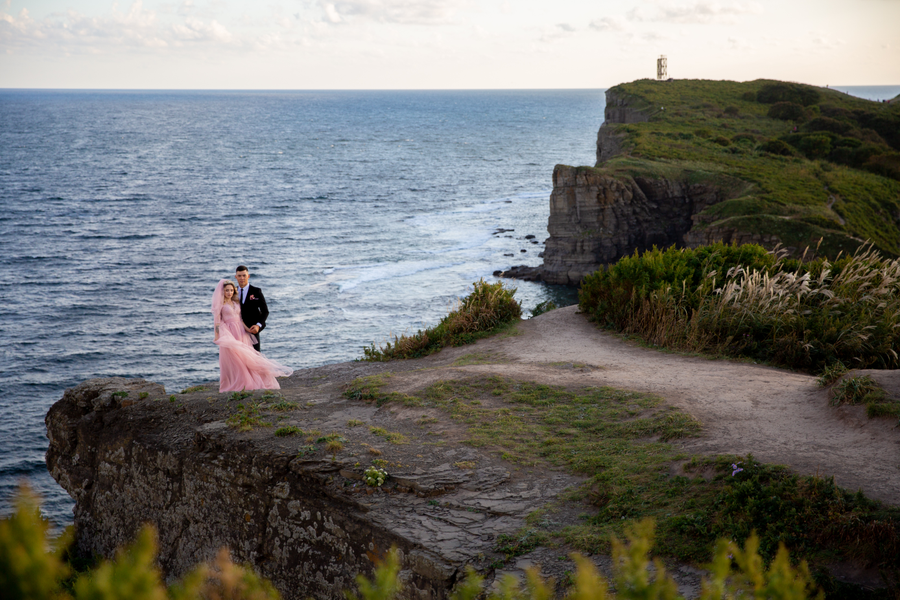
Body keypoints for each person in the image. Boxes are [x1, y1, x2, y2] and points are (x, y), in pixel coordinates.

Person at [212, 279, 291, 393]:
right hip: (229, 332)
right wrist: (217, 336)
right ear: (222, 292)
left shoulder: (235, 302)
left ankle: (248, 380)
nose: (229, 292)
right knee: (235, 358)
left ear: (233, 291)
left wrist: (247, 329)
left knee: (245, 357)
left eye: (231, 290)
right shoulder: (220, 305)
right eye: (226, 290)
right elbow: (217, 323)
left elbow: (239, 319)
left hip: (241, 331)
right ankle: (236, 382)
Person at [235, 265, 268, 352]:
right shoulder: (233, 292)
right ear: (236, 277)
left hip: (252, 330)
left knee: (255, 357)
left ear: (248, 276)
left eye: (244, 275)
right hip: (237, 330)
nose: (242, 278)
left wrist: (258, 325)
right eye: (239, 276)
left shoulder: (256, 291)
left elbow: (265, 311)